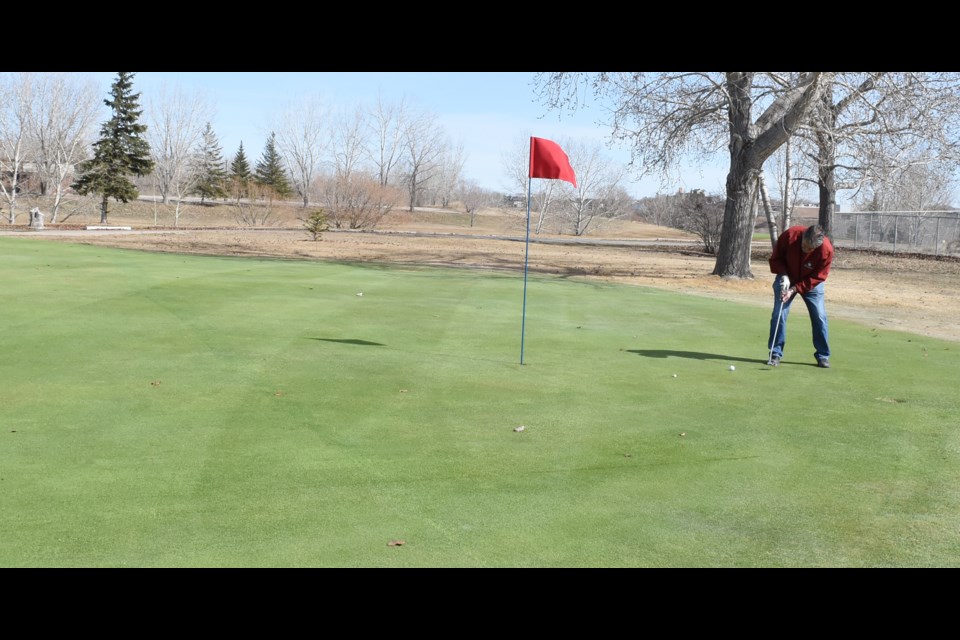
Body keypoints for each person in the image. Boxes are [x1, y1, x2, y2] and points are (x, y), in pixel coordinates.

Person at [766, 224, 834, 368]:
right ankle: (775, 353)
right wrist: (783, 275)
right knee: (780, 313)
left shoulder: (826, 250)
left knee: (820, 316)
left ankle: (823, 355)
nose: (806, 250)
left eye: (810, 249)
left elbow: (819, 276)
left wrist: (795, 289)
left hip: (811, 283)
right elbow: (775, 259)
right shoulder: (790, 235)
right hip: (786, 276)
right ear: (803, 236)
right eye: (804, 245)